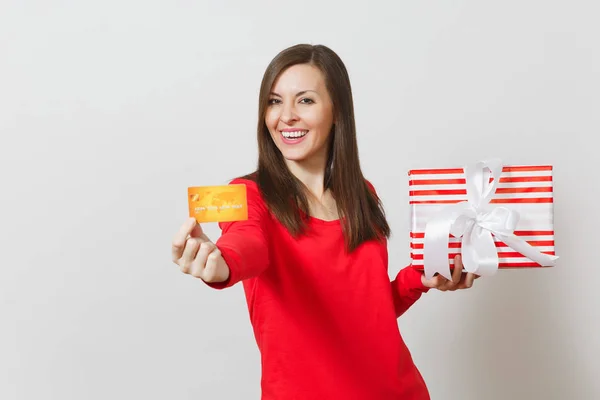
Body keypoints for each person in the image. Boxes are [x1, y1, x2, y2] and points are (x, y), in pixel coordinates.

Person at [171, 44, 478, 400]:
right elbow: (245, 242)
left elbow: (365, 314)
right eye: (274, 101)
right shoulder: (248, 194)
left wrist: (417, 280)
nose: (286, 116)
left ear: (337, 113)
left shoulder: (361, 193)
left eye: (305, 100)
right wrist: (220, 263)